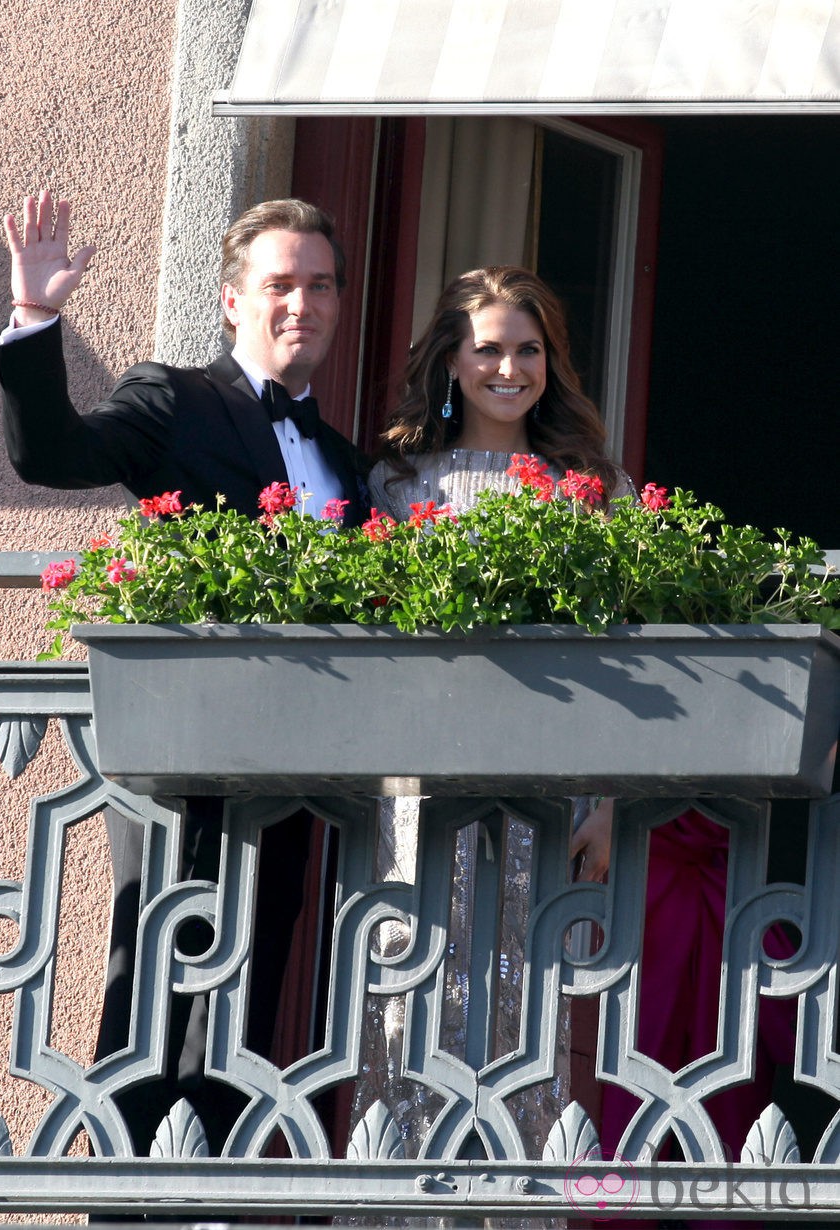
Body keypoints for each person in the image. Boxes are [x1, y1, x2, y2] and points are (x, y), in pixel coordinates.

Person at [0, 190, 371, 1155]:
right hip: (183, 759)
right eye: (281, 283)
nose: (304, 304)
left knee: (248, 1013)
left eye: (321, 285)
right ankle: (126, 1209)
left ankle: (215, 1206)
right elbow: (55, 456)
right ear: (233, 300)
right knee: (154, 995)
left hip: (295, 771)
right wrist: (36, 321)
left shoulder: (346, 462)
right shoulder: (175, 399)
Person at [361, 268, 619, 1195]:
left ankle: (518, 1211)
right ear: (452, 362)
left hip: (545, 799)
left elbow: (617, 665)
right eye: (488, 350)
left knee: (528, 1017)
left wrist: (608, 804)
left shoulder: (586, 488)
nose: (508, 368)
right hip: (416, 792)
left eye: (527, 349)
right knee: (403, 1007)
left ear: (551, 363)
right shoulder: (395, 485)